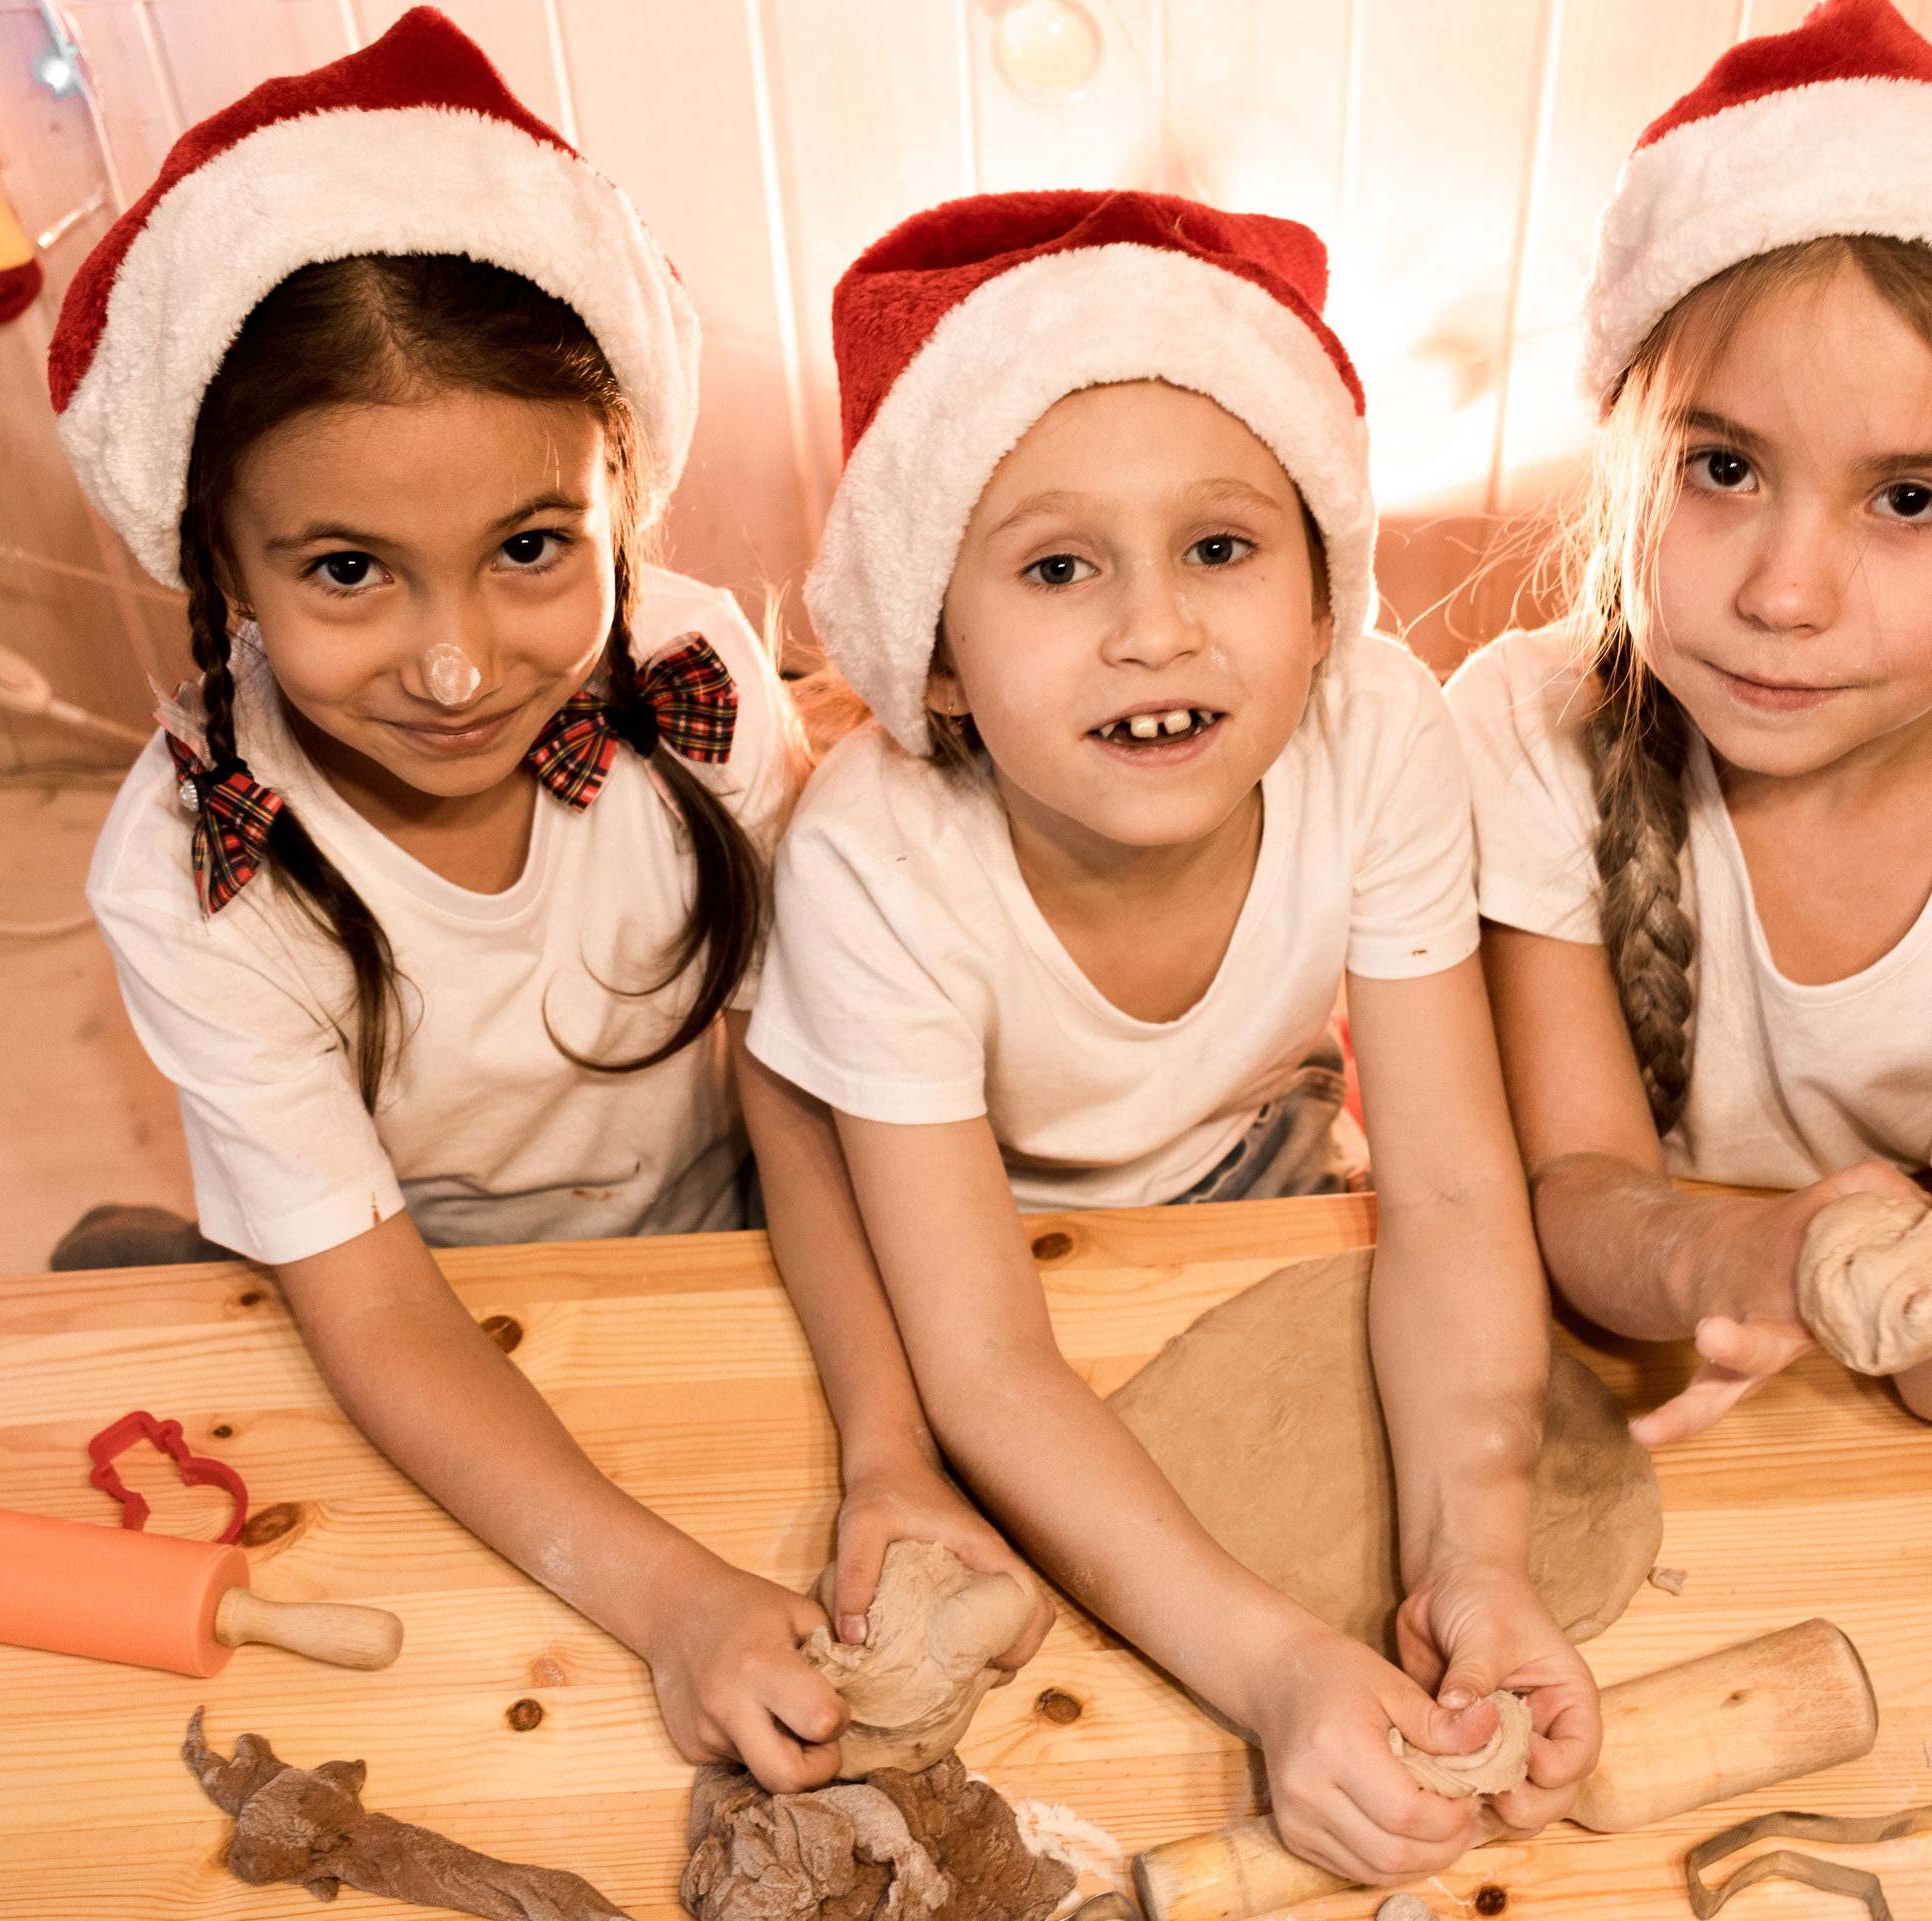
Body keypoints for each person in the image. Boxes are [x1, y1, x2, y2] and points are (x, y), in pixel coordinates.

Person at [54, 12, 921, 1791]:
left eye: (534, 549)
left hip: (731, 1233)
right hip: (420, 1299)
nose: (456, 667)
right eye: (350, 571)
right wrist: (669, 1598)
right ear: (215, 562)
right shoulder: (183, 871)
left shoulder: (698, 666)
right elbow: (374, 1314)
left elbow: (786, 1070)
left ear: (626, 497)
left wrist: (890, 1439)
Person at [745, 190, 1599, 1881]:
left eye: (1221, 546)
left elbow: (1442, 1194)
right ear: (938, 660)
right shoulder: (873, 850)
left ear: (1317, 592)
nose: (1157, 630)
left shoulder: (1382, 735)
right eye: (1059, 567)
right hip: (951, 1219)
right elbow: (983, 1357)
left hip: (1256, 1168)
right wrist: (1278, 1668)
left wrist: (1477, 1553)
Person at [1446, 0, 1932, 1440]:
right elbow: (1577, 1187)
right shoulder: (1520, 729)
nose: (1787, 595)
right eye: (1727, 467)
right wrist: (1764, 1255)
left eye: (1910, 499)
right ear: (1627, 447)